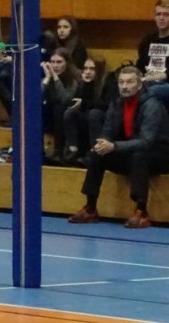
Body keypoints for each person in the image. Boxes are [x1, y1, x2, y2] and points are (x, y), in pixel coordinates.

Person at [67, 64, 169, 229]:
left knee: (139, 155)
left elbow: (146, 141)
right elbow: (108, 131)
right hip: (129, 150)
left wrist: (114, 146)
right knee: (96, 154)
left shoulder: (152, 105)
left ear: (139, 84)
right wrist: (102, 143)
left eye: (129, 82)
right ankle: (90, 208)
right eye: (121, 82)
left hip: (159, 154)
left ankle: (141, 211)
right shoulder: (117, 103)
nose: (124, 86)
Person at [61, 56, 114, 166]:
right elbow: (75, 101)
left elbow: (107, 104)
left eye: (92, 69)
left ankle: (94, 151)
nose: (87, 72)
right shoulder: (83, 83)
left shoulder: (108, 81)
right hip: (87, 117)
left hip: (103, 117)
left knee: (94, 113)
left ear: (99, 70)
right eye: (85, 68)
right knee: (70, 113)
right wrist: (86, 85)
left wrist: (84, 103)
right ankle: (73, 149)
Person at [135, 0, 169, 107]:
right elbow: (140, 65)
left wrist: (151, 78)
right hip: (146, 82)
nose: (161, 18)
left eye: (166, 15)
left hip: (165, 85)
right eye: (158, 14)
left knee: (152, 90)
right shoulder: (147, 40)